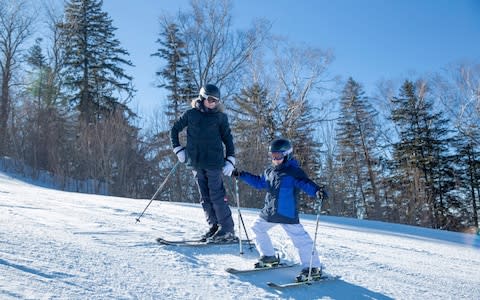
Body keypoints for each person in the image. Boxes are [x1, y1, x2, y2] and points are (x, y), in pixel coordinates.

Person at [232, 138, 327, 281]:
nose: (275, 159)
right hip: (269, 212)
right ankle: (269, 257)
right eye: (273, 156)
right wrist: (242, 175)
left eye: (278, 156)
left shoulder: (294, 172)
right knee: (257, 228)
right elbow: (259, 183)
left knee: (301, 240)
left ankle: (312, 267)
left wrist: (317, 191)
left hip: (287, 213)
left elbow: (306, 184)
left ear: (287, 155)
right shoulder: (269, 171)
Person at [170, 83, 237, 243]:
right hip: (195, 161)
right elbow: (174, 130)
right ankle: (214, 226)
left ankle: (227, 229)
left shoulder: (220, 117)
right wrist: (178, 149)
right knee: (204, 197)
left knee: (216, 195)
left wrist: (231, 159)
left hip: (214, 161)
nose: (213, 103)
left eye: (216, 101)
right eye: (211, 99)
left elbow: (228, 139)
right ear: (202, 97)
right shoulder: (191, 114)